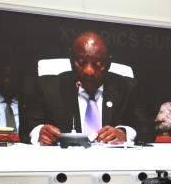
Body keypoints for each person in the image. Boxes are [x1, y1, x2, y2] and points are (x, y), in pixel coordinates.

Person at [22, 31, 152, 145]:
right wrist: (39, 132)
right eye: (81, 62)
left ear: (108, 63)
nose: (88, 71)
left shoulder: (127, 88)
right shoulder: (48, 87)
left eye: (98, 64)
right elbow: (25, 128)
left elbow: (148, 130)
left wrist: (124, 134)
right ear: (71, 58)